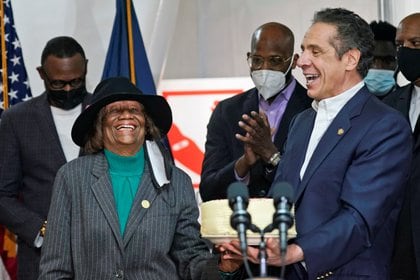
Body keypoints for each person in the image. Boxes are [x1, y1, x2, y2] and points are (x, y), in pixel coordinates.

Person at [220, 8, 412, 279]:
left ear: (350, 59)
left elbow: (358, 219)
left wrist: (297, 252)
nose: (302, 62)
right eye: (303, 50)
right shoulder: (302, 122)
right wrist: (245, 238)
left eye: (316, 52)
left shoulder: (384, 127)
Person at [37, 77, 237, 279]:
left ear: (146, 122)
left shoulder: (177, 181)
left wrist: (222, 267)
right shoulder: (72, 178)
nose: (126, 116)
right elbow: (55, 267)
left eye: (134, 110)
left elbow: (190, 256)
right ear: (99, 123)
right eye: (115, 111)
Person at [0, 36, 91, 280]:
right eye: (59, 84)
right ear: (42, 74)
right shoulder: (16, 120)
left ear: (86, 68)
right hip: (41, 259)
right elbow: (2, 195)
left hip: (102, 256)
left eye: (76, 81)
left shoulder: (105, 112)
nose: (69, 89)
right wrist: (42, 230)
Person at [200, 22, 312, 201]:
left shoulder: (313, 108)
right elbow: (208, 190)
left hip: (294, 224)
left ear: (293, 61)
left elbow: (316, 188)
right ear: (249, 58)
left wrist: (271, 154)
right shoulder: (227, 112)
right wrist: (243, 164)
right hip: (240, 224)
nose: (264, 69)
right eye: (257, 60)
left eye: (275, 60)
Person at [384, 12, 420, 280]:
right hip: (398, 249)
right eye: (400, 45)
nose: (405, 52)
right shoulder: (387, 106)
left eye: (415, 44)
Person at [364, 20, 398, 99]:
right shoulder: (339, 104)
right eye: (371, 59)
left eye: (388, 60)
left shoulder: (411, 104)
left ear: (398, 62)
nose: (378, 66)